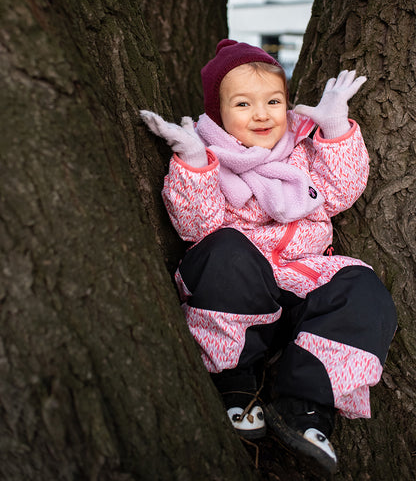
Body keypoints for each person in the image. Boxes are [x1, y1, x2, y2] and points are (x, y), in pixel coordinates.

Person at [140, 39, 397, 476]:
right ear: (219, 113)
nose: (262, 114)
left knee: (362, 288)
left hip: (301, 274)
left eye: (273, 101)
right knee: (222, 248)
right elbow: (196, 226)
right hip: (240, 281)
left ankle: (307, 406)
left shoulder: (301, 148)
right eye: (243, 104)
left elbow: (339, 191)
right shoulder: (213, 157)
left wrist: (335, 130)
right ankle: (234, 382)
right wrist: (193, 163)